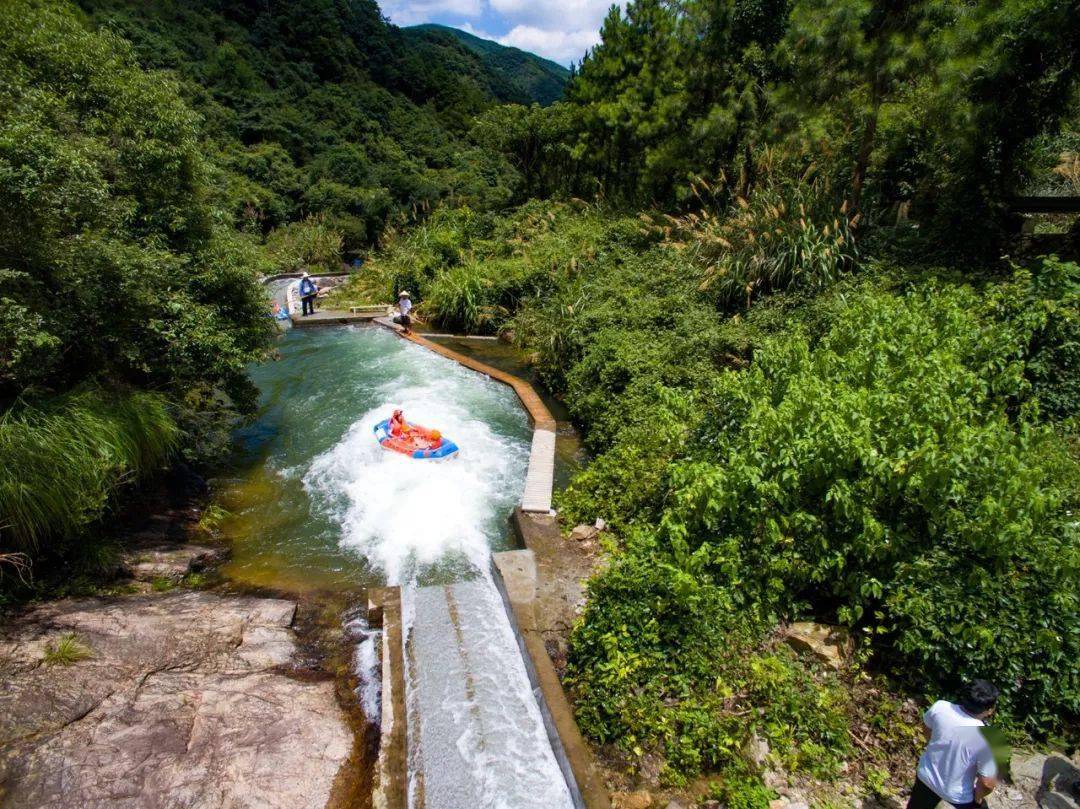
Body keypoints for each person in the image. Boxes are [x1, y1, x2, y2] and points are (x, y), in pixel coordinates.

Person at [907, 680, 1000, 809]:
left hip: (926, 777)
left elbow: (927, 730)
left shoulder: (940, 707)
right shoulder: (989, 738)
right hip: (957, 795)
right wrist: (978, 799)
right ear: (989, 710)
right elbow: (987, 783)